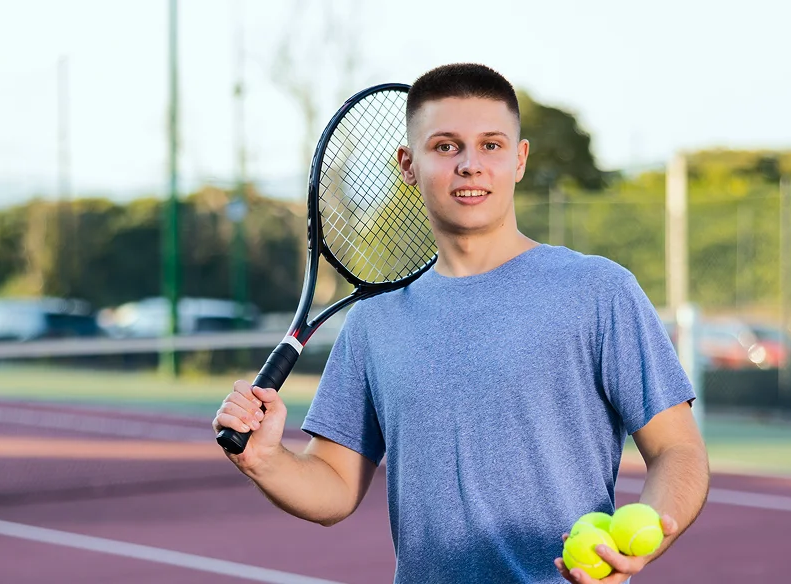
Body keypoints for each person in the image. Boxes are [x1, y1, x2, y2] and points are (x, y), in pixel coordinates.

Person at [213, 63, 709, 584]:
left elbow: (678, 450)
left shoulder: (598, 291)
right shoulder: (374, 320)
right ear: (408, 163)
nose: (471, 165)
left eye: (491, 145)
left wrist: (643, 536)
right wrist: (265, 461)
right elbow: (335, 484)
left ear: (518, 160)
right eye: (446, 146)